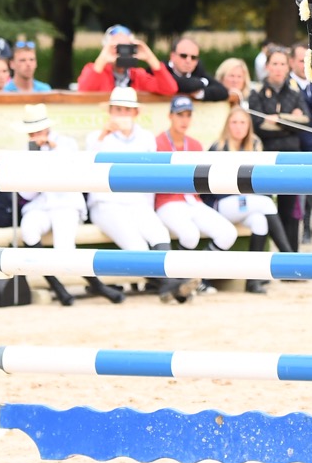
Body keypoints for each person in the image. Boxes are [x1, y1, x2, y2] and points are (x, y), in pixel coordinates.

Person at [87, 87, 198, 303]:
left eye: (127, 110)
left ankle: (168, 287)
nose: (122, 115)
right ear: (110, 112)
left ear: (135, 113)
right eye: (118, 109)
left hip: (138, 202)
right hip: (107, 204)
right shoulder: (97, 138)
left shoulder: (146, 138)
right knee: (136, 246)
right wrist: (103, 135)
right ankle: (172, 285)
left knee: (160, 235)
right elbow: (88, 166)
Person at [16, 104, 113, 306]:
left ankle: (96, 284)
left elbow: (75, 171)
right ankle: (57, 287)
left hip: (67, 202)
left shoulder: (65, 144)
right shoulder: (27, 152)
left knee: (64, 249)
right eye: (31, 132)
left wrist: (51, 149)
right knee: (28, 230)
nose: (35, 135)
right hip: (42, 204)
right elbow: (27, 193)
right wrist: (33, 161)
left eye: (38, 130)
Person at [210, 106, 294, 293]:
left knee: (260, 221)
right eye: (234, 122)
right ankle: (289, 258)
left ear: (249, 126)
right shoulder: (218, 147)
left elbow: (260, 181)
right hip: (222, 203)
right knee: (264, 203)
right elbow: (212, 187)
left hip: (247, 203)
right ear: (227, 125)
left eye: (243, 123)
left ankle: (252, 279)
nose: (238, 127)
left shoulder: (255, 144)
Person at [154, 96, 238, 251]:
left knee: (228, 233)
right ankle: (180, 273)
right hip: (167, 201)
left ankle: (202, 271)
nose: (184, 120)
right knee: (190, 235)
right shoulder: (157, 142)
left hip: (193, 200)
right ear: (170, 116)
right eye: (180, 115)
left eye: (188, 115)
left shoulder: (195, 144)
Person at [248, 48, 311, 249]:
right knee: (264, 209)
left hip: (290, 158)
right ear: (267, 67)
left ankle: (291, 261)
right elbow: (258, 125)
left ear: (288, 66)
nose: (278, 68)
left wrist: (279, 119)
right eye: (274, 63)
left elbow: (305, 122)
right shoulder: (256, 92)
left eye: (282, 64)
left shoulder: (295, 92)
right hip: (265, 158)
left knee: (290, 211)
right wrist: (290, 119)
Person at [76, 26, 178, 95]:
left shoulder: (137, 76)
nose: (122, 52)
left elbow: (170, 89)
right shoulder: (96, 71)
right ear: (106, 48)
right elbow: (83, 92)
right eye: (117, 47)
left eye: (127, 47)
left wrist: (150, 58)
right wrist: (102, 60)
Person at [166, 37, 230, 102]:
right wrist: (203, 82)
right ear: (172, 56)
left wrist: (200, 93)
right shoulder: (162, 70)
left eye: (193, 57)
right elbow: (187, 85)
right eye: (183, 56)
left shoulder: (198, 70)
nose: (188, 60)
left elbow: (223, 91)